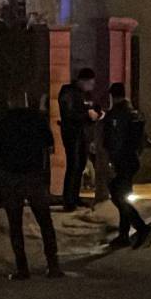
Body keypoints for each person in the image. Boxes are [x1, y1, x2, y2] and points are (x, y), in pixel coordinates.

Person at [0, 85, 63, 280]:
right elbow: (49, 144)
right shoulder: (36, 119)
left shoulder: (3, 122)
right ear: (25, 101)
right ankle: (53, 265)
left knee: (15, 224)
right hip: (34, 176)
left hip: (11, 177)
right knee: (44, 221)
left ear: (9, 102)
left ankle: (22, 268)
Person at [103, 83, 151, 248]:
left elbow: (113, 140)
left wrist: (111, 157)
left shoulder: (117, 115)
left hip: (122, 160)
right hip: (132, 159)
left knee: (117, 194)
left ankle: (140, 227)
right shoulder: (133, 113)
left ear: (112, 96)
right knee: (122, 195)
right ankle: (123, 235)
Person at [58, 68, 103, 212]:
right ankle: (68, 200)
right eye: (90, 83)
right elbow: (69, 113)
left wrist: (97, 113)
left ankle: (75, 197)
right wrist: (86, 114)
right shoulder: (68, 92)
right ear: (82, 81)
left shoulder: (86, 94)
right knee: (74, 164)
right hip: (72, 133)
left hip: (84, 133)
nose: (92, 86)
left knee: (81, 165)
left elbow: (94, 107)